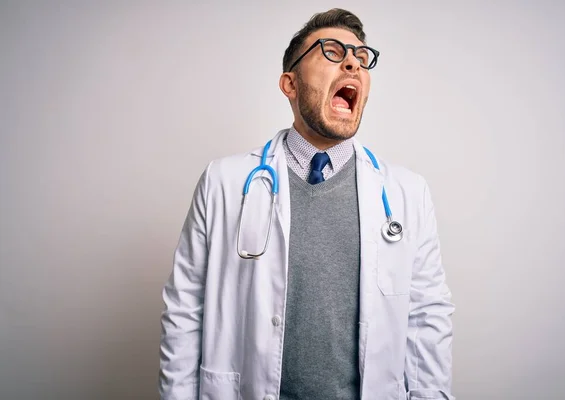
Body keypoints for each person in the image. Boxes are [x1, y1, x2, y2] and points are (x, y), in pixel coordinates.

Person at [159, 8, 454, 400]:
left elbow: (427, 320)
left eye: (361, 58)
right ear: (290, 84)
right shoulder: (223, 183)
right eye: (331, 51)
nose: (352, 62)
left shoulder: (407, 193)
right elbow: (184, 313)